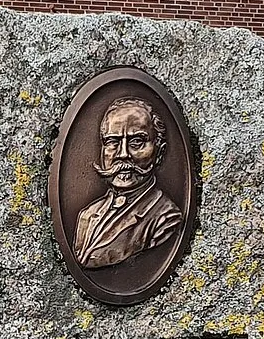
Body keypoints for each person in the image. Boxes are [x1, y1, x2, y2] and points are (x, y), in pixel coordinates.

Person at [72, 97, 182, 269]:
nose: (123, 154)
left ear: (159, 152)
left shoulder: (166, 218)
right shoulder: (87, 214)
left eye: (136, 142)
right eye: (112, 142)